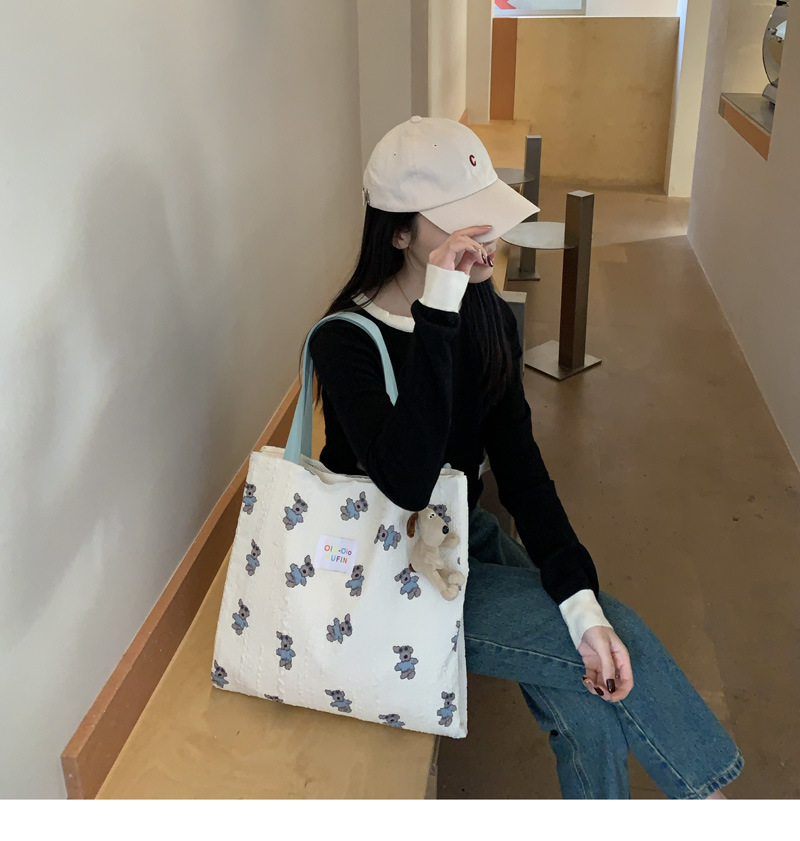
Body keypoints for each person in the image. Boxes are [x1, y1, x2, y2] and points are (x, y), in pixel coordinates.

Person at [304, 116, 744, 799]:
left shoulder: (484, 317)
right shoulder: (346, 341)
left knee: (591, 670)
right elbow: (407, 480)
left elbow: (522, 469)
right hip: (383, 568)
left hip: (459, 536)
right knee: (613, 637)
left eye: (485, 213)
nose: (483, 237)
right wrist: (438, 312)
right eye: (457, 220)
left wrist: (578, 597)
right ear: (397, 233)